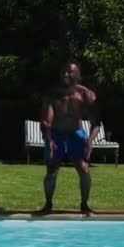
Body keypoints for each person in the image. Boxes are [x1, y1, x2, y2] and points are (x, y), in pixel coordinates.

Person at [39, 62, 101, 215]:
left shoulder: (86, 95)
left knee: (84, 169)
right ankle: (48, 205)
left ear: (78, 76)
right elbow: (46, 121)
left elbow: (96, 123)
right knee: (52, 170)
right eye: (63, 72)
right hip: (56, 133)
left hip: (76, 132)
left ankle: (85, 205)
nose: (65, 75)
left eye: (70, 72)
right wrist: (49, 140)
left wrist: (89, 142)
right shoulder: (53, 95)